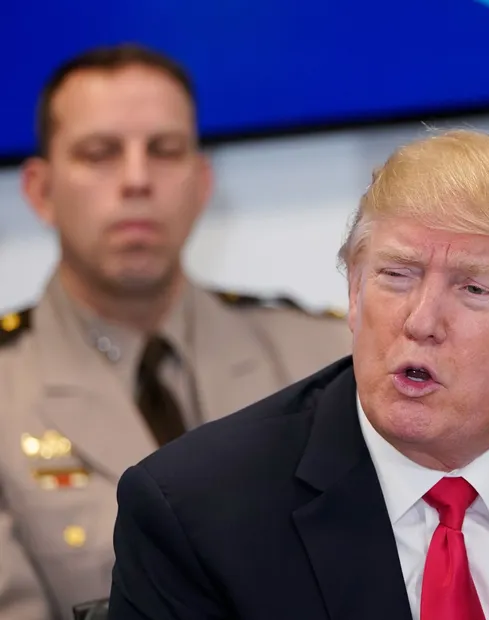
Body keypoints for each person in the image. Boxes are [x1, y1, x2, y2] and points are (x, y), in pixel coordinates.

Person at [105, 129, 489, 619]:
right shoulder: (197, 514)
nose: (421, 320)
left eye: (473, 289)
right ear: (354, 294)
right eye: (396, 275)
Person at [0, 44, 352, 619]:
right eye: (100, 153)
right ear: (40, 191)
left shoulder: (326, 358)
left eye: (164, 151)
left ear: (201, 182)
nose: (137, 180)